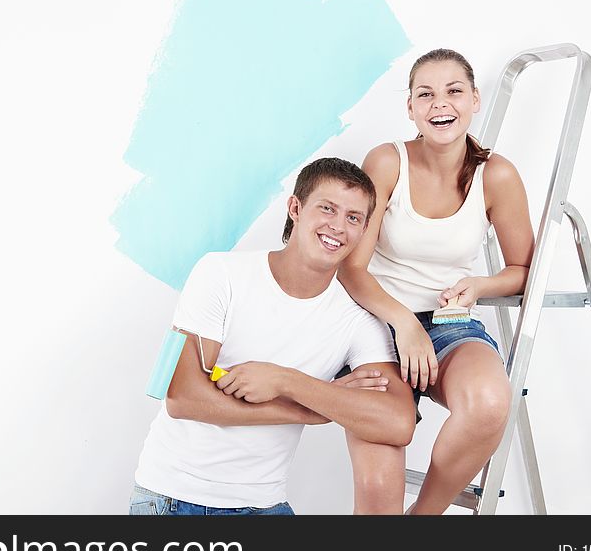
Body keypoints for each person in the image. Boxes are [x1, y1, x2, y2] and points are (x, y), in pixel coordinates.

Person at [130, 157, 416, 515]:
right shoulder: (220, 273)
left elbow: (397, 422)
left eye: (354, 218)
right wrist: (309, 412)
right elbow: (182, 397)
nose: (338, 227)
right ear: (295, 207)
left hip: (264, 504)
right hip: (173, 499)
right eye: (327, 209)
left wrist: (286, 381)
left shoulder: (358, 320)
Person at [337, 48, 535, 515]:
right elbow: (351, 269)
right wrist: (404, 324)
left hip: (449, 324)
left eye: (453, 91)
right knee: (378, 499)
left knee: (489, 403)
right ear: (410, 108)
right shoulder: (387, 162)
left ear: (474, 100)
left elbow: (522, 271)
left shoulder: (497, 175)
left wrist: (480, 286)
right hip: (376, 321)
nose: (439, 104)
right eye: (425, 94)